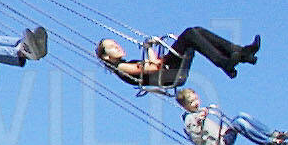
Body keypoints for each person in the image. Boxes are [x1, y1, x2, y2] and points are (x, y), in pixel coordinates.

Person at [96, 31, 259, 90]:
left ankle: (241, 53)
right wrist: (149, 49)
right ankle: (226, 62)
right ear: (106, 57)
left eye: (115, 43)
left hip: (168, 70)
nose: (117, 46)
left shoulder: (125, 64)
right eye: (112, 47)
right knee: (190, 35)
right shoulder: (122, 68)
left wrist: (149, 48)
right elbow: (153, 68)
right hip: (170, 73)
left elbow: (153, 65)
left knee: (196, 33)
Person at [175, 90, 288, 145]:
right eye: (191, 102)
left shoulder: (198, 111)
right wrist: (199, 121)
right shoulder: (189, 119)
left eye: (196, 99)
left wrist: (206, 111)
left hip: (222, 137)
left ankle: (273, 134)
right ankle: (270, 143)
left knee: (241, 115)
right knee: (239, 123)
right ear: (184, 106)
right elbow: (195, 133)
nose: (196, 103)